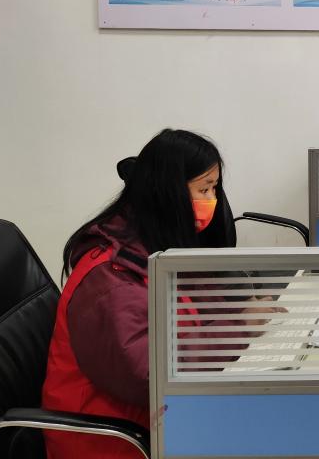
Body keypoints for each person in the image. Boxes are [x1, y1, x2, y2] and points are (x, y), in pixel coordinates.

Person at [41, 129, 250, 459]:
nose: (212, 200)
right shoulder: (111, 279)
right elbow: (148, 375)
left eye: (214, 188)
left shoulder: (157, 242)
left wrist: (246, 315)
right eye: (204, 189)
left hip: (157, 419)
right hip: (110, 441)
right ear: (168, 192)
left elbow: (198, 304)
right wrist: (240, 329)